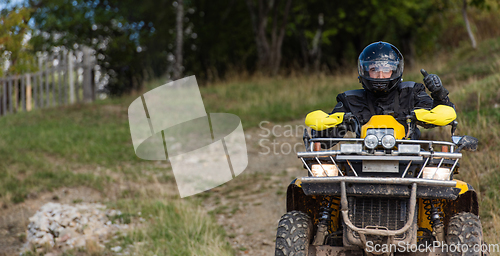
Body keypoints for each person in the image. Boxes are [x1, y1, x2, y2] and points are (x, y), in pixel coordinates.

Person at [312, 41, 454, 146]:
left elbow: (442, 117)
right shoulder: (351, 100)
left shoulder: (411, 92)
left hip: (411, 160)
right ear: (365, 71)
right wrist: (319, 130)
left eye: (386, 70)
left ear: (395, 71)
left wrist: (438, 93)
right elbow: (324, 142)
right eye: (374, 69)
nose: (380, 76)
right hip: (360, 163)